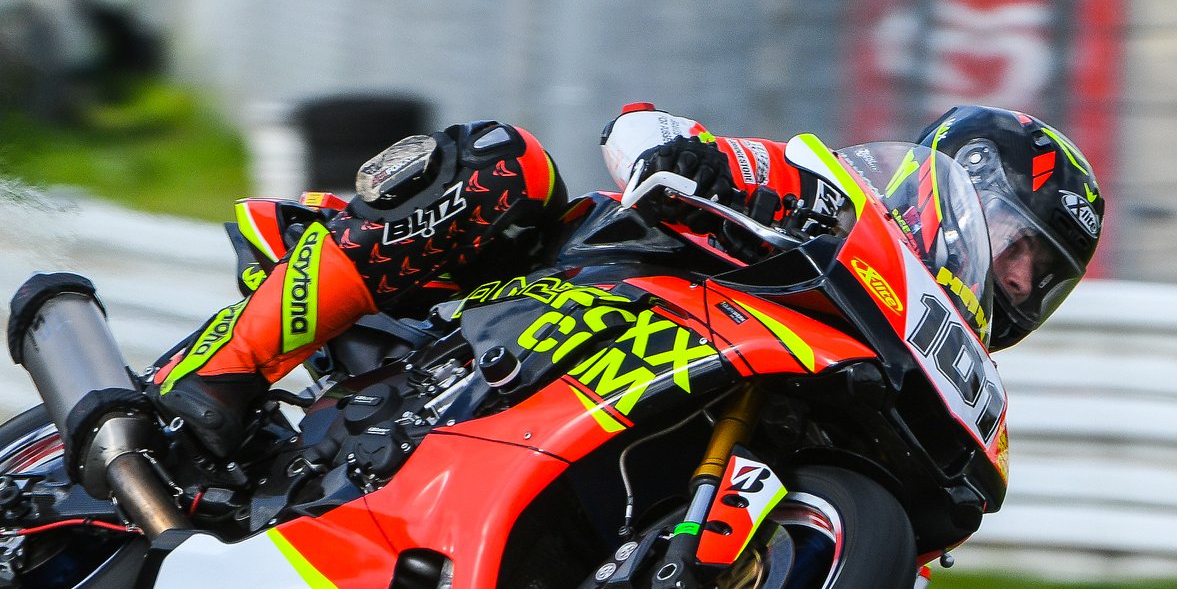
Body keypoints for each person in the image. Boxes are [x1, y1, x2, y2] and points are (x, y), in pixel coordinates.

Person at [150, 103, 1104, 457]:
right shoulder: (832, 201)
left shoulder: (931, 382)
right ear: (958, 190)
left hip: (643, 401)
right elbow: (647, 131)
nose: (1021, 285)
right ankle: (214, 372)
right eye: (1020, 248)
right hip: (536, 298)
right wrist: (682, 158)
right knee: (508, 163)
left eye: (1044, 280)